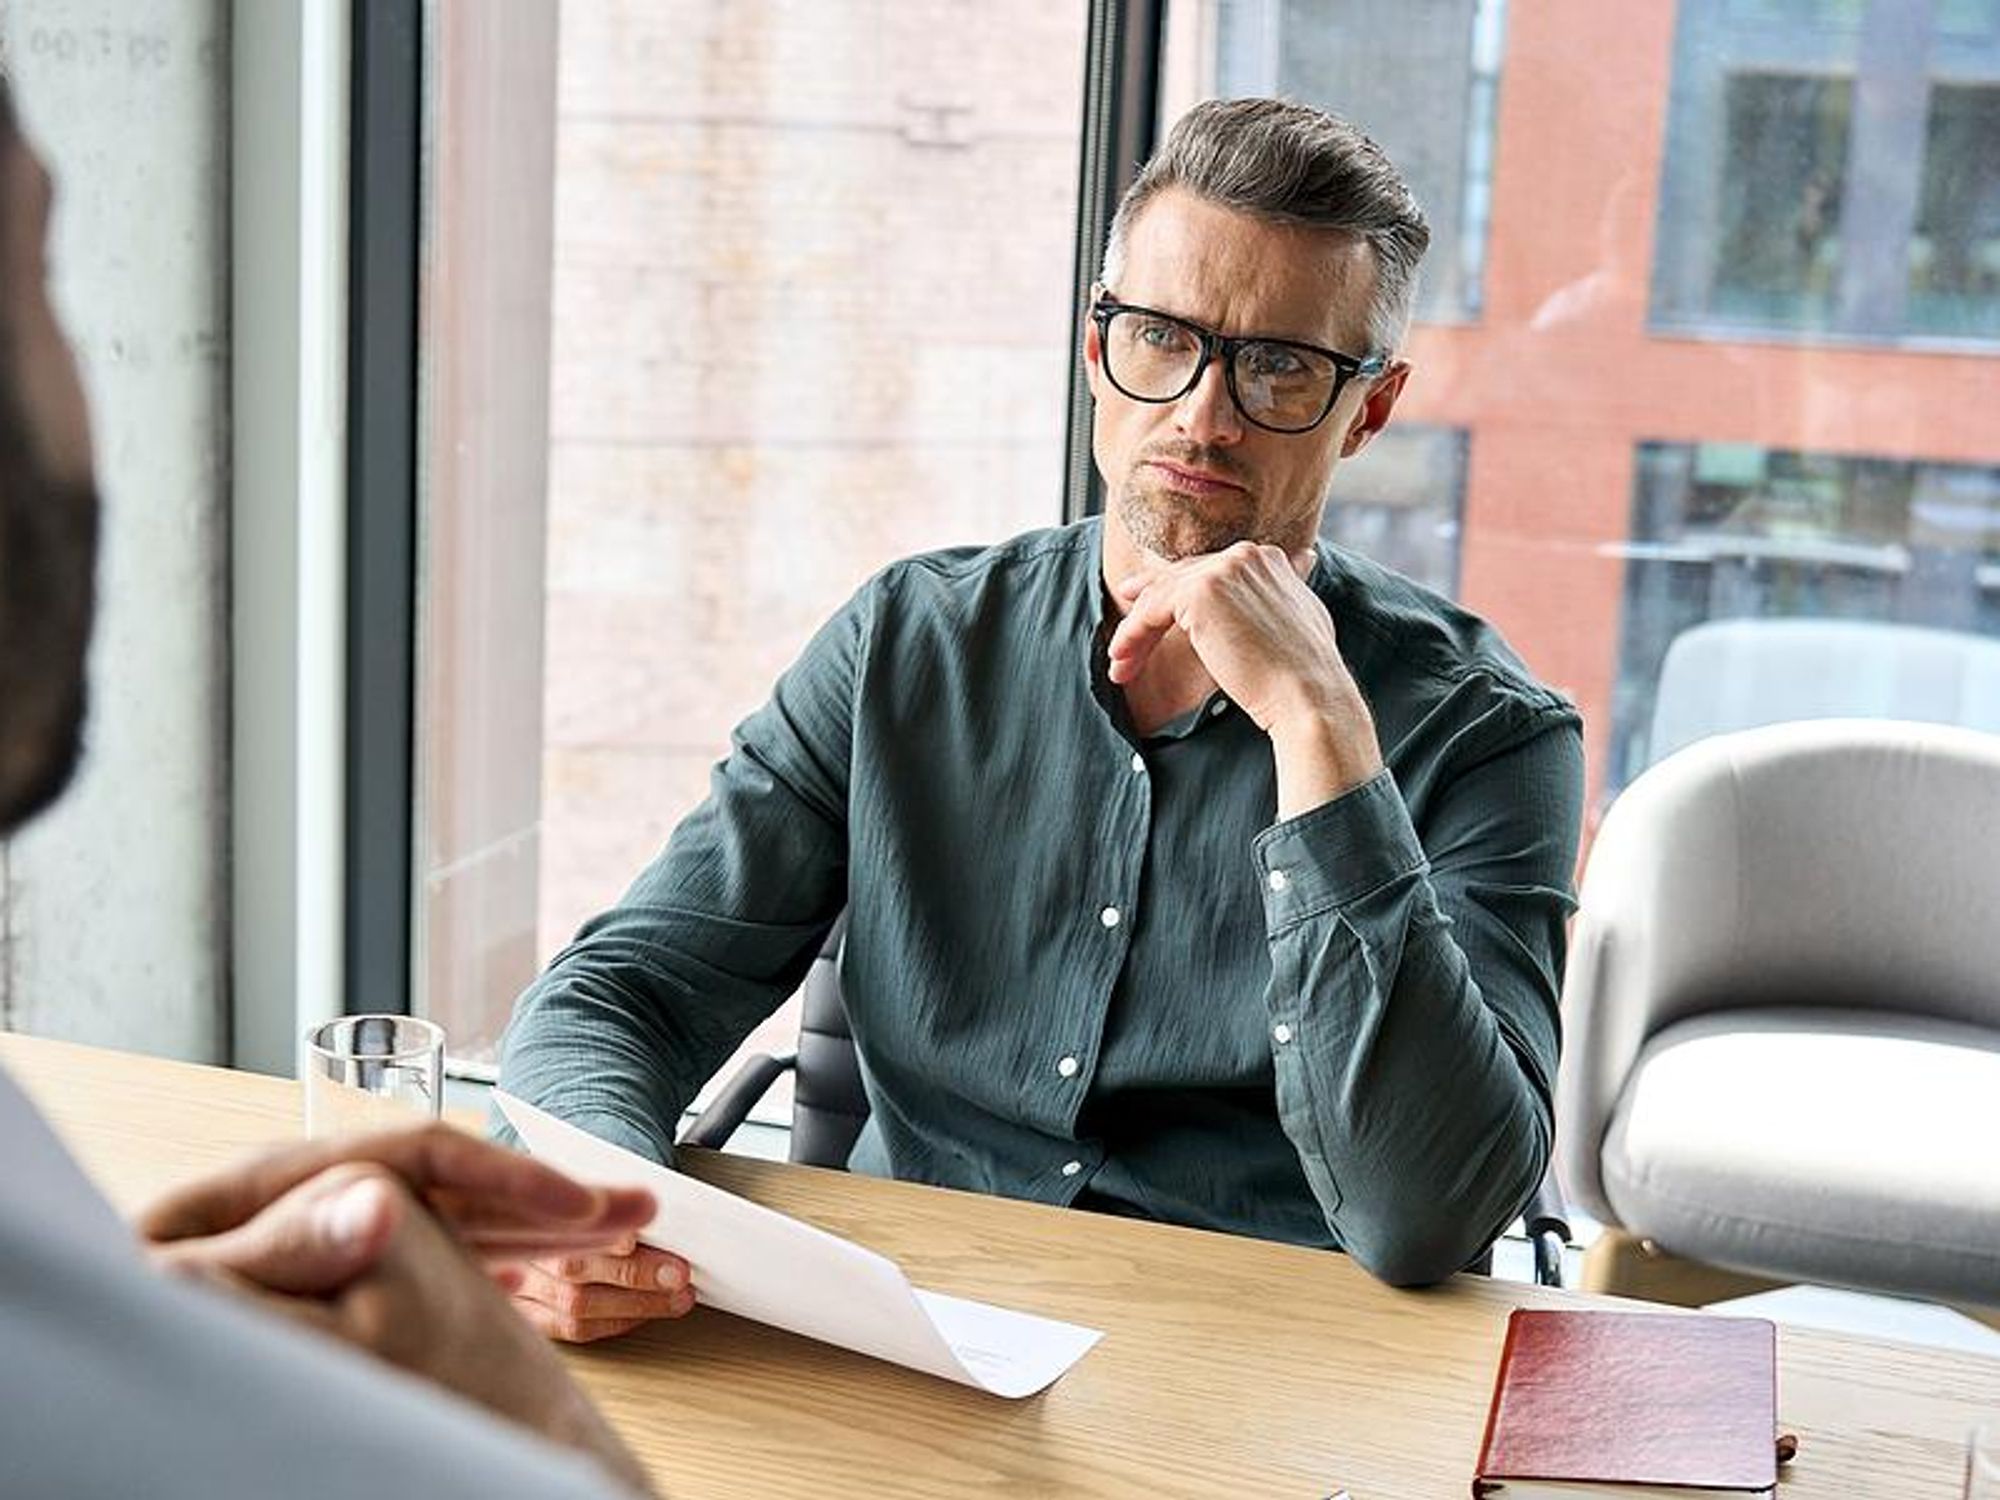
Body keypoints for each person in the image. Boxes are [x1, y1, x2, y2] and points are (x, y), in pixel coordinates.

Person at [498, 97, 1585, 1338]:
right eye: (1162, 339)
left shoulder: (1490, 735)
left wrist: (1317, 731)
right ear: (1095, 348)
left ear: (1370, 410)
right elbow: (624, 991)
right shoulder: (907, 641)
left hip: (1269, 1365)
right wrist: (577, 1201)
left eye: (1280, 365)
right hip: (898, 1336)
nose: (1203, 414)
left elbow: (1424, 1216)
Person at [0, 76, 663, 1499]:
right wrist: (531, 1426)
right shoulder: (909, 637)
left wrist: (145, 1317)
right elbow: (621, 986)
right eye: (40, 272)